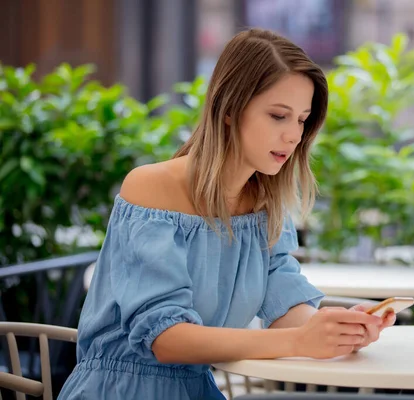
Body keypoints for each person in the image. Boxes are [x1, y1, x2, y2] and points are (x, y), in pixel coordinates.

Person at [58, 28, 395, 400]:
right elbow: (166, 341)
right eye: (278, 116)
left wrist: (337, 328)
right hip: (121, 390)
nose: (293, 136)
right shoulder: (151, 187)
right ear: (230, 109)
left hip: (197, 389)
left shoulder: (267, 204)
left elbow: (284, 305)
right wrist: (300, 340)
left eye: (302, 119)